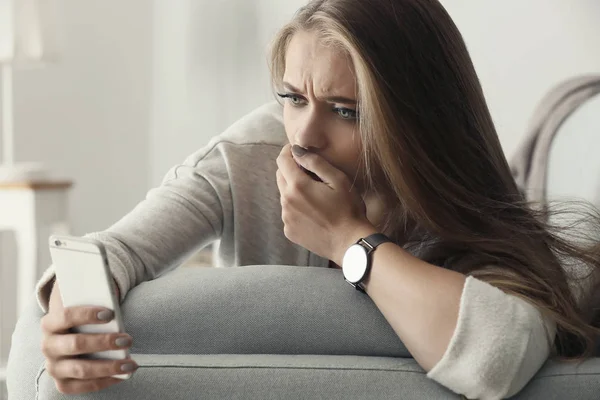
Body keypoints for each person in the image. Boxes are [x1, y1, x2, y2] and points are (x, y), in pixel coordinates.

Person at [38, 0, 600, 398]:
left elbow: (499, 355)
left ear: (419, 121)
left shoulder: (449, 195)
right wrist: (69, 322)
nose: (303, 135)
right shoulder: (250, 154)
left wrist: (349, 240)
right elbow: (110, 251)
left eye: (345, 110)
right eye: (292, 97)